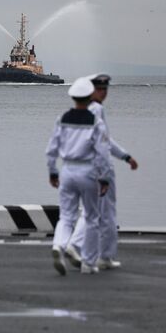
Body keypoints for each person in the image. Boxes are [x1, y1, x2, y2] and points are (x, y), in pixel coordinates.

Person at [66, 74, 139, 270]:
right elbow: (104, 142)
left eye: (105, 89)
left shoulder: (83, 110)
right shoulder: (97, 109)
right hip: (100, 167)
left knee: (93, 211)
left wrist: (124, 156)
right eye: (100, 89)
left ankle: (89, 250)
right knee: (105, 212)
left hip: (83, 166)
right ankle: (98, 254)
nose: (104, 93)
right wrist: (118, 161)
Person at [46, 77, 111, 276]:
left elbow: (51, 149)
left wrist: (52, 171)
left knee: (66, 216)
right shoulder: (96, 122)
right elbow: (102, 152)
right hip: (87, 170)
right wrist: (104, 177)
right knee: (91, 217)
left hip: (66, 170)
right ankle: (88, 263)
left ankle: (59, 245)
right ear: (90, 96)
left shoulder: (62, 118)